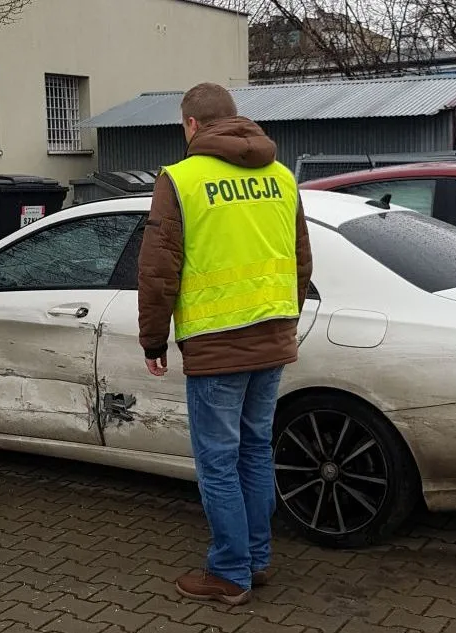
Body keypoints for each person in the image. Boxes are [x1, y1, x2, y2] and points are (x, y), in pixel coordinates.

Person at [137, 83, 312, 605]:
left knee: (218, 462)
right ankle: (256, 560)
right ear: (235, 118)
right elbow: (301, 259)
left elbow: (158, 270)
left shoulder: (181, 179)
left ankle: (230, 572)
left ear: (191, 125)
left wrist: (153, 339)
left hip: (216, 345)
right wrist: (285, 319)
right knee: (255, 451)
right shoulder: (281, 177)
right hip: (272, 336)